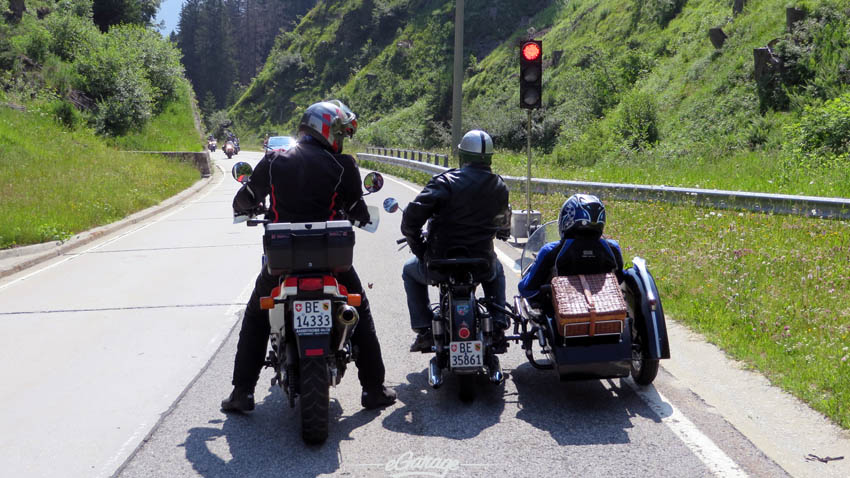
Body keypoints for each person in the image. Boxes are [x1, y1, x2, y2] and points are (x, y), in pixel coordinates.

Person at [221, 100, 396, 412]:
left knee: (256, 317)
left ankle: (242, 392)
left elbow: (244, 200)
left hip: (282, 263)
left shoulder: (274, 160)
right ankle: (373, 389)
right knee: (360, 311)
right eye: (339, 133)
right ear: (324, 129)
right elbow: (357, 209)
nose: (341, 140)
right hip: (333, 261)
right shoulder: (343, 165)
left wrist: (247, 208)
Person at [400, 129, 511, 353]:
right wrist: (502, 232)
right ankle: (498, 325)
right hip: (481, 264)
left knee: (409, 271)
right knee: (497, 269)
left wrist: (420, 250)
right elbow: (503, 221)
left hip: (440, 264)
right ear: (489, 158)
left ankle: (424, 329)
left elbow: (410, 219)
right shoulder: (500, 187)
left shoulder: (444, 182)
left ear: (462, 156)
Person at [518, 193, 624, 300]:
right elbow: (619, 281)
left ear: (568, 218)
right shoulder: (613, 248)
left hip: (560, 312)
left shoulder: (551, 250)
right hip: (605, 308)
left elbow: (527, 289)